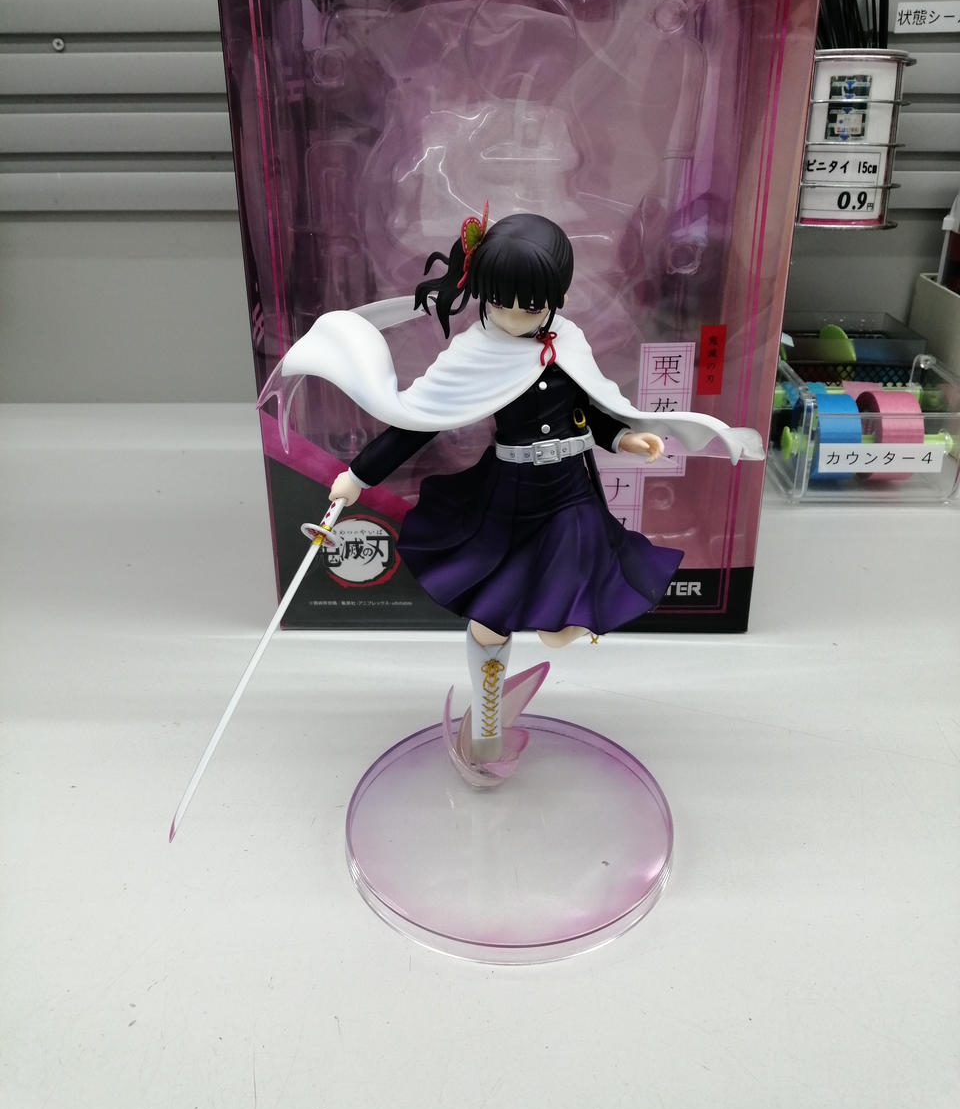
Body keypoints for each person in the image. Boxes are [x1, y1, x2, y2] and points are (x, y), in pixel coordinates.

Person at [266, 209, 763, 766]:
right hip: (510, 492)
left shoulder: (568, 341)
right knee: (489, 617)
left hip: (570, 487)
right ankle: (486, 729)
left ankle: (561, 624)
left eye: (531, 304)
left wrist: (624, 438)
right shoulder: (474, 353)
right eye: (501, 301)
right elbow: (417, 424)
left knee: (575, 559)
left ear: (556, 297)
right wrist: (359, 475)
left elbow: (590, 408)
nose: (514, 315)